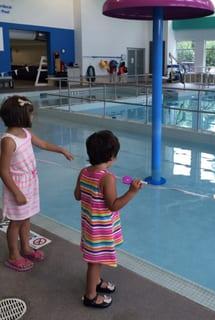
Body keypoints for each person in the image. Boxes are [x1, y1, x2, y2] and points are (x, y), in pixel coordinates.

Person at [0, 95, 74, 272]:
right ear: (20, 116)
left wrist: (61, 149)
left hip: (30, 182)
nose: (32, 117)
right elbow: (3, 170)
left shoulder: (25, 133)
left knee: (26, 218)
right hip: (17, 186)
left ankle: (25, 248)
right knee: (16, 222)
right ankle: (13, 255)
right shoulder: (8, 141)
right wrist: (16, 192)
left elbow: (43, 144)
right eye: (30, 114)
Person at [74, 130, 142, 309]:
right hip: (100, 229)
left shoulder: (84, 171)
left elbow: (77, 195)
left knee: (97, 258)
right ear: (112, 156)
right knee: (94, 262)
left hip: (90, 225)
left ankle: (95, 282)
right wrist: (132, 192)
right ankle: (90, 296)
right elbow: (113, 205)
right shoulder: (107, 178)